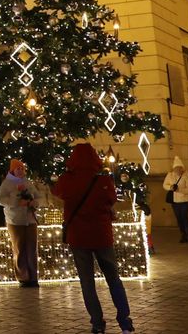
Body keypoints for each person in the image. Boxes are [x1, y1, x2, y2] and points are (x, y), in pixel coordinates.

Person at [53, 143, 135, 334]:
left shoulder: (67, 179)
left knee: (87, 281)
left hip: (78, 236)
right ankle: (124, 320)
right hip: (101, 235)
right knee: (113, 278)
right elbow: (111, 199)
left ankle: (97, 323)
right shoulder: (103, 180)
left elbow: (57, 193)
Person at [0, 158, 41, 286]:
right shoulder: (7, 184)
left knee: (32, 248)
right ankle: (23, 277)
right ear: (13, 170)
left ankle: (33, 277)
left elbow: (38, 197)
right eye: (18, 169)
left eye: (22, 168)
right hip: (15, 220)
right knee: (19, 247)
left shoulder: (28, 183)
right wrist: (16, 202)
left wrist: (34, 203)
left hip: (30, 220)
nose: (21, 171)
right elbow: (1, 199)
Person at [162, 156, 188, 243]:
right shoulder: (170, 175)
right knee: (179, 218)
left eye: (179, 168)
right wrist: (170, 187)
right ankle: (183, 235)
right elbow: (165, 185)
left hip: (185, 201)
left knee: (184, 216)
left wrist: (180, 190)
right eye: (176, 168)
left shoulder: (186, 176)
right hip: (175, 201)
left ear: (182, 168)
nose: (177, 170)